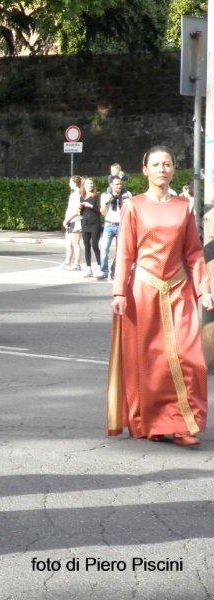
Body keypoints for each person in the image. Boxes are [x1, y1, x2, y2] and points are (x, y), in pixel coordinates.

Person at [107, 145, 212, 446]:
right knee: (152, 362)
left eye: (167, 164)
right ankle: (154, 423)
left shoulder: (184, 207)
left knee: (190, 358)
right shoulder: (134, 206)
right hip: (144, 290)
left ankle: (185, 424)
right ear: (145, 170)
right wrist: (119, 291)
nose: (162, 169)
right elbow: (125, 253)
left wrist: (203, 289)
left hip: (179, 290)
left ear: (174, 169)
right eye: (155, 164)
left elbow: (193, 252)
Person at [97, 176, 132, 281]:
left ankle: (114, 271)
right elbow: (103, 213)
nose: (119, 186)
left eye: (120, 184)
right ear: (111, 185)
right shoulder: (105, 195)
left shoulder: (127, 194)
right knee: (104, 249)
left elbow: (131, 211)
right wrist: (107, 202)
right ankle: (104, 271)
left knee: (120, 251)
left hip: (122, 225)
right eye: (116, 184)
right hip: (109, 225)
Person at [79, 177, 102, 278]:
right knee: (86, 246)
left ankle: (100, 267)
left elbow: (100, 211)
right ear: (84, 186)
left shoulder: (97, 196)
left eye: (91, 183)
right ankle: (89, 269)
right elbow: (81, 213)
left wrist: (90, 205)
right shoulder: (82, 197)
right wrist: (80, 208)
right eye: (88, 184)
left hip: (95, 223)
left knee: (95, 245)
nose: (90, 185)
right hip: (85, 223)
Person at [61, 176, 82, 271]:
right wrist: (66, 220)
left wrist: (67, 219)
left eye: (70, 182)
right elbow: (69, 209)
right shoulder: (73, 194)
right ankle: (67, 263)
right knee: (69, 244)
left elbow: (77, 210)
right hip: (69, 221)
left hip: (75, 220)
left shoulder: (78, 194)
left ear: (75, 183)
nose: (69, 184)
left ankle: (77, 264)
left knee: (75, 244)